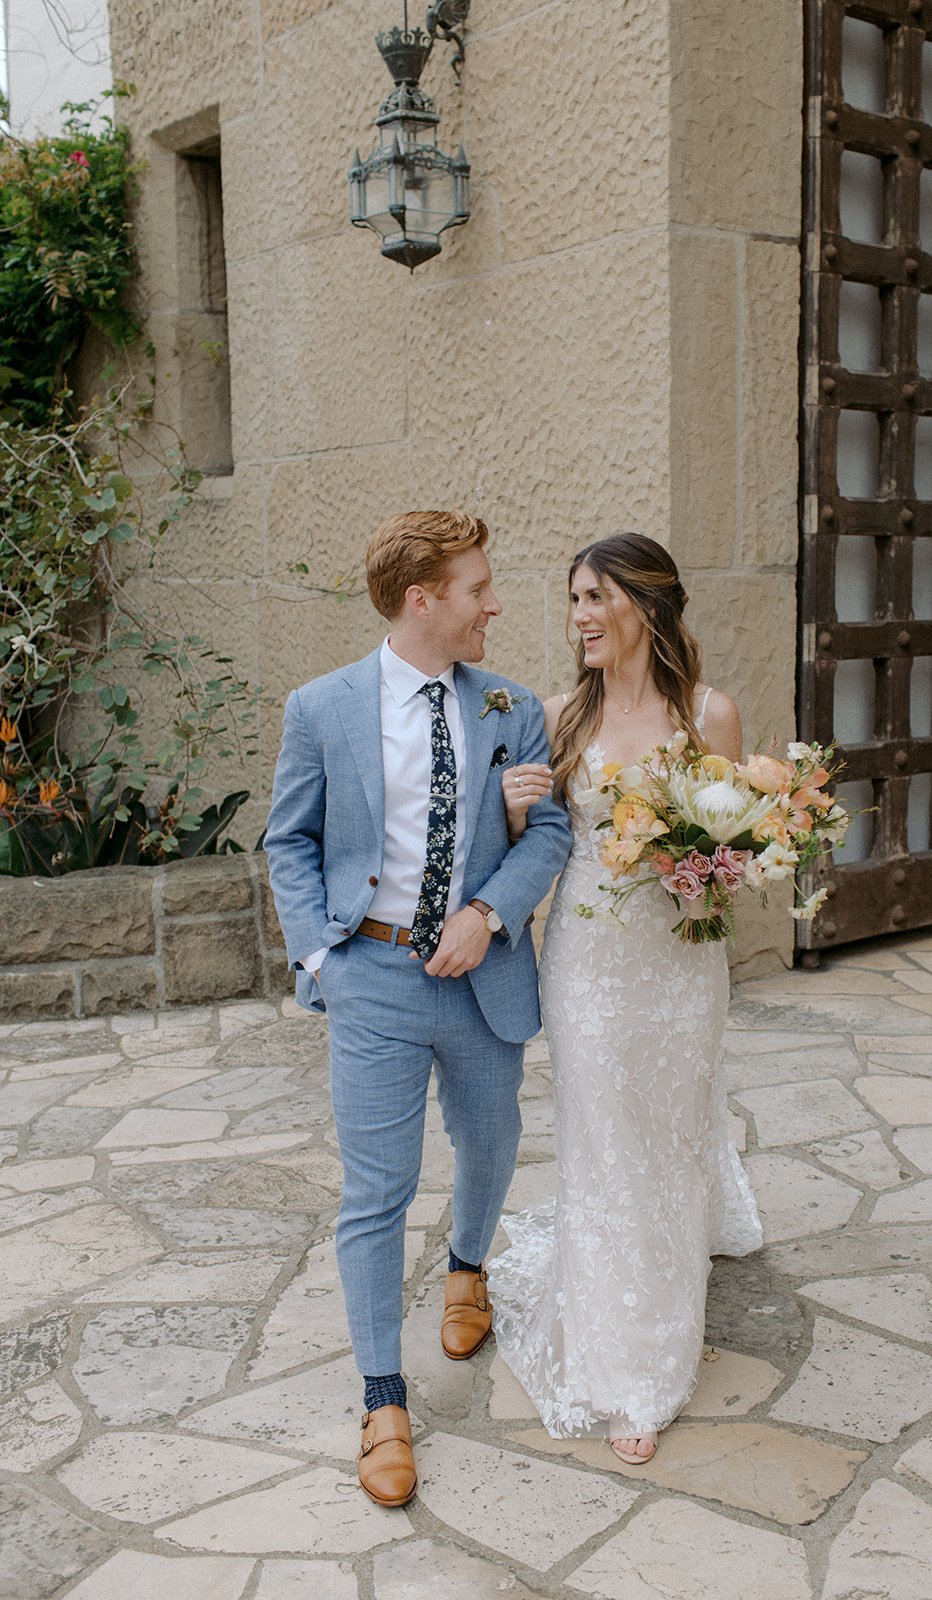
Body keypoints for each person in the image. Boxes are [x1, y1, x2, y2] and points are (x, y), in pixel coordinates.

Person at [264, 510, 571, 1508]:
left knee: (489, 1145)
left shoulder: (510, 707)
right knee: (375, 1192)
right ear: (420, 599)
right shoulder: (320, 708)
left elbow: (548, 832)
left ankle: (468, 1269)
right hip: (374, 981)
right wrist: (320, 954)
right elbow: (290, 842)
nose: (494, 603)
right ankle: (381, 1398)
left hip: (481, 980)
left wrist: (488, 913)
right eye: (478, 587)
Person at [489, 532, 764, 1465]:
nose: (578, 617)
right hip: (589, 964)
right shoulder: (561, 716)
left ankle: (687, 1243)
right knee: (606, 1143)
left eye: (594, 598)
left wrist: (703, 871)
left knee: (673, 1128)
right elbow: (534, 845)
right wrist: (518, 807)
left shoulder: (707, 716)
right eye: (572, 600)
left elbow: (734, 854)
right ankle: (629, 1367)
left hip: (682, 964)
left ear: (644, 605)